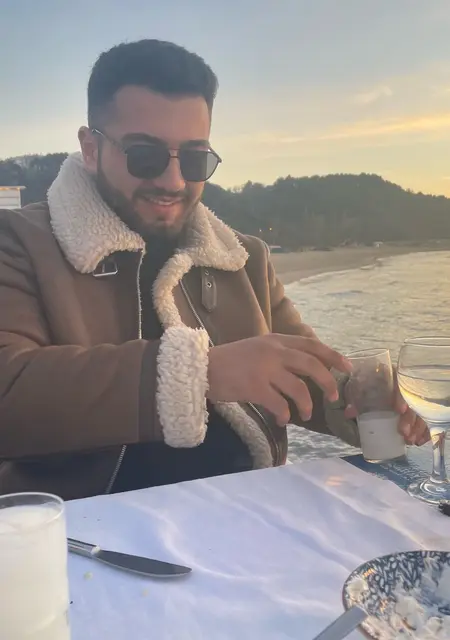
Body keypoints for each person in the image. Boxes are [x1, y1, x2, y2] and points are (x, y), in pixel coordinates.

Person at [0, 40, 428, 500]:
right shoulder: (20, 242)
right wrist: (201, 373)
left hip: (250, 512)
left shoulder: (245, 258)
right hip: (87, 529)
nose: (173, 181)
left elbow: (304, 374)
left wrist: (366, 399)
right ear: (90, 148)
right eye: (144, 154)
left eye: (194, 159)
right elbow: (11, 393)